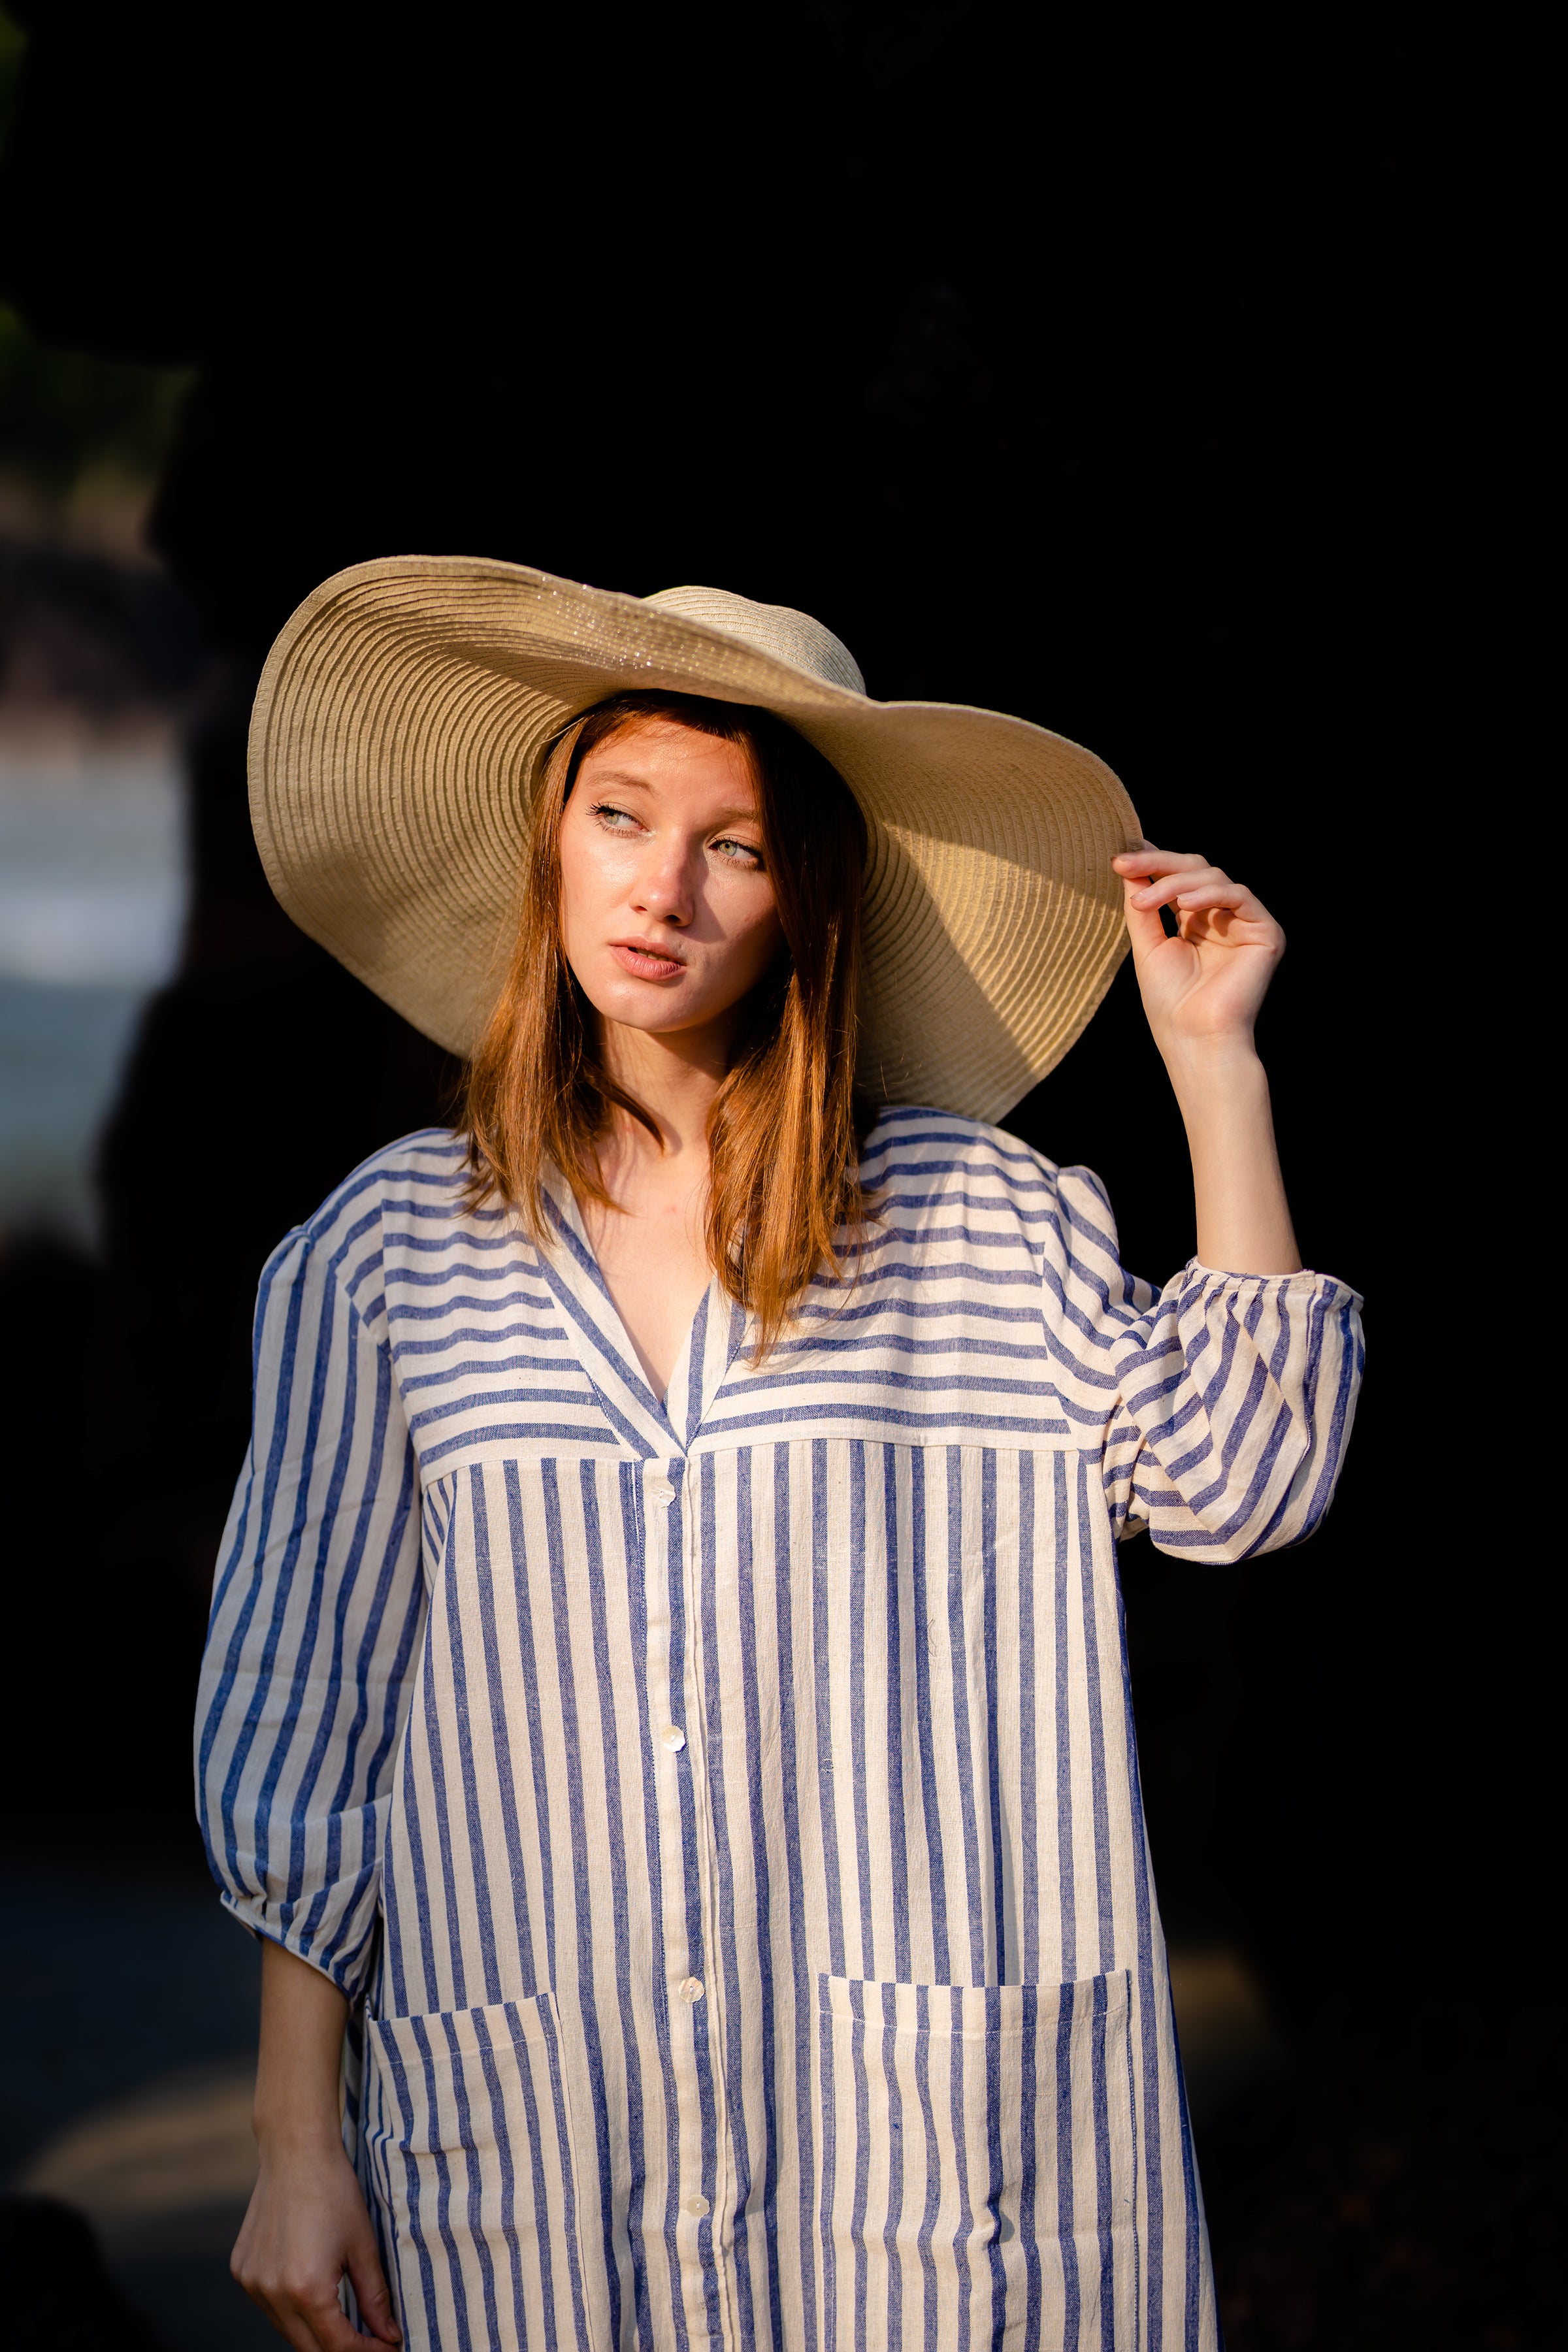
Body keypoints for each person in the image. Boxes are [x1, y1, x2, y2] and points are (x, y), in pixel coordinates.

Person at [196, 559, 1362, 2352]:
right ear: (551, 844)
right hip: (537, 2174)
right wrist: (294, 2141)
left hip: (918, 2173)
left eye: (735, 846)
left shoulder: (979, 1224)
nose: (664, 889)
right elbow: (310, 1716)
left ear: (805, 899)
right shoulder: (383, 1265)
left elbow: (1244, 1477)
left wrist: (1216, 1067)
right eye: (621, 815)